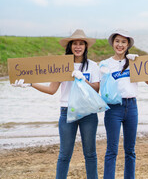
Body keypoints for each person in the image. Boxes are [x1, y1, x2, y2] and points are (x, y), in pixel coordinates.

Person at [12, 29, 100, 179]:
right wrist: (30, 84)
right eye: (74, 44)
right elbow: (52, 90)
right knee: (64, 154)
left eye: (81, 44)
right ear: (70, 46)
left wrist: (82, 79)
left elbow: (97, 89)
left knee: (90, 154)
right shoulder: (62, 65)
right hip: (66, 112)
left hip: (88, 113)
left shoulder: (92, 66)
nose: (78, 47)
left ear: (86, 47)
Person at [100, 29, 148, 179]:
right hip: (113, 109)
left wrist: (138, 63)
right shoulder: (105, 64)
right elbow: (100, 89)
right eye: (117, 41)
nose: (120, 45)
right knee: (112, 150)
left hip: (132, 107)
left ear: (128, 44)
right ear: (112, 43)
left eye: (123, 42)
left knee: (130, 150)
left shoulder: (134, 61)